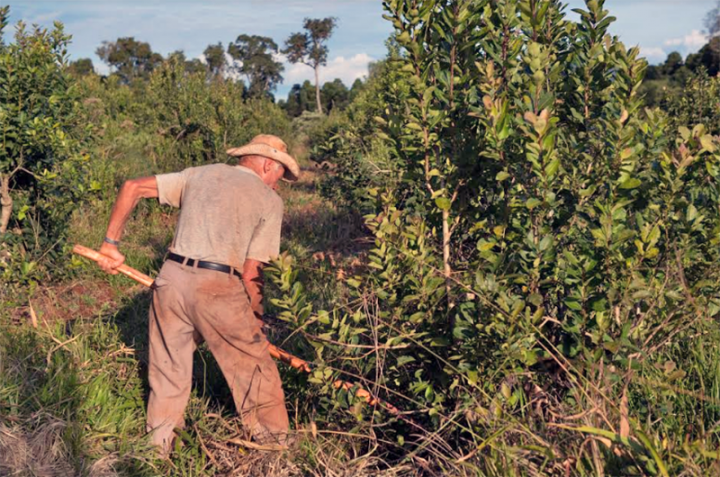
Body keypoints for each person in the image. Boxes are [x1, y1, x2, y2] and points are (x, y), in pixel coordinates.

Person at [95, 134, 300, 456]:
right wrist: (257, 319)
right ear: (267, 164)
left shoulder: (199, 173)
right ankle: (277, 452)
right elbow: (251, 273)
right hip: (218, 286)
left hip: (171, 279)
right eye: (280, 175)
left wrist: (110, 245)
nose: (279, 183)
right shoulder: (269, 200)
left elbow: (131, 187)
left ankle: (157, 453)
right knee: (255, 370)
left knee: (168, 372)